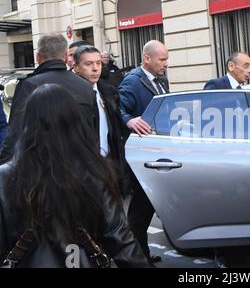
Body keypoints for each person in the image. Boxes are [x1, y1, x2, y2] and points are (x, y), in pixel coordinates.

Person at [0, 84, 149, 267]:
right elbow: (122, 242)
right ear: (75, 122)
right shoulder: (94, 172)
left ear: (27, 124)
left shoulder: (4, 177)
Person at [0, 33, 98, 165]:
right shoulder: (85, 86)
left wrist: (5, 164)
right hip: (81, 165)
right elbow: (94, 130)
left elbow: (16, 132)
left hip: (42, 168)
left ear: (38, 56)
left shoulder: (29, 85)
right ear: (65, 56)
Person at [119, 40, 169, 264]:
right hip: (141, 155)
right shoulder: (132, 81)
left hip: (157, 151)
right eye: (162, 59)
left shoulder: (161, 79)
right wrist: (129, 120)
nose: (166, 64)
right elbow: (118, 108)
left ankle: (141, 254)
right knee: (141, 207)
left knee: (147, 206)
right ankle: (135, 256)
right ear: (147, 59)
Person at [72, 45, 127, 195]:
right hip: (84, 172)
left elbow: (114, 130)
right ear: (75, 67)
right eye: (88, 64)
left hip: (110, 167)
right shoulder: (69, 96)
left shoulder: (108, 91)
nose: (95, 68)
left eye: (98, 63)